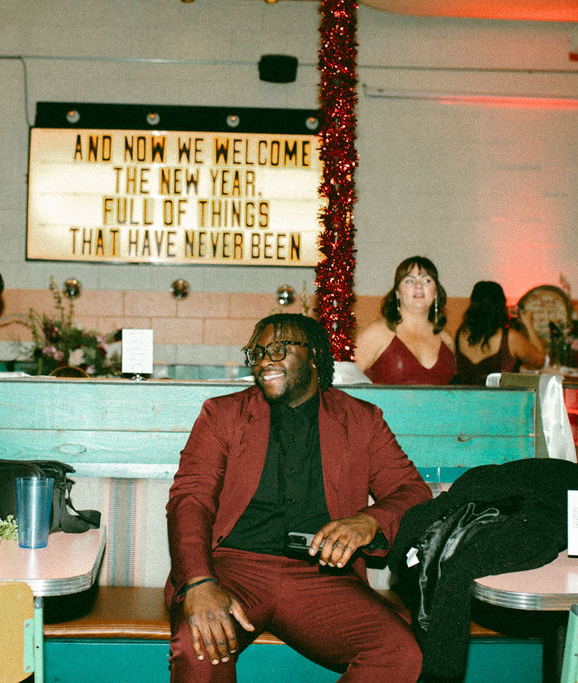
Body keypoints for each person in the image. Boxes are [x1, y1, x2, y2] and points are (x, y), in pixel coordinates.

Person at [166, 313, 430, 682]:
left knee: (398, 652)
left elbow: (412, 492)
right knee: (200, 646)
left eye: (278, 348)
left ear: (316, 357)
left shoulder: (361, 420)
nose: (264, 361)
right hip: (233, 570)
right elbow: (190, 499)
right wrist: (198, 582)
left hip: (321, 577)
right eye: (256, 353)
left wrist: (369, 520)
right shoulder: (222, 414)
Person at [354, 256, 455, 385]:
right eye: (409, 281)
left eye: (426, 280)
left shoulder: (447, 341)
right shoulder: (376, 333)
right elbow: (346, 384)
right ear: (397, 292)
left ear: (435, 292)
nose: (418, 286)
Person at [452, 281, 546, 385]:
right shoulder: (509, 338)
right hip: (501, 400)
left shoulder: (461, 333)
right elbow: (539, 361)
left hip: (465, 399)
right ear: (501, 306)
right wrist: (528, 324)